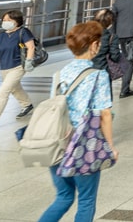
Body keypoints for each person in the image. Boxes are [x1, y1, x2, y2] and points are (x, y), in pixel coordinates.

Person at [37, 21, 117, 222]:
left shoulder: (59, 74)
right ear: (94, 45)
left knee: (64, 197)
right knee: (86, 200)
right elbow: (105, 114)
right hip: (83, 143)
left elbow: (55, 106)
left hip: (57, 141)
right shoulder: (99, 76)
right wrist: (110, 147)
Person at [91, 9, 122, 98]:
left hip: (84, 72)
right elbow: (115, 56)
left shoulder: (84, 34)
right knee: (104, 101)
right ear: (110, 23)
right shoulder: (111, 37)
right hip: (102, 72)